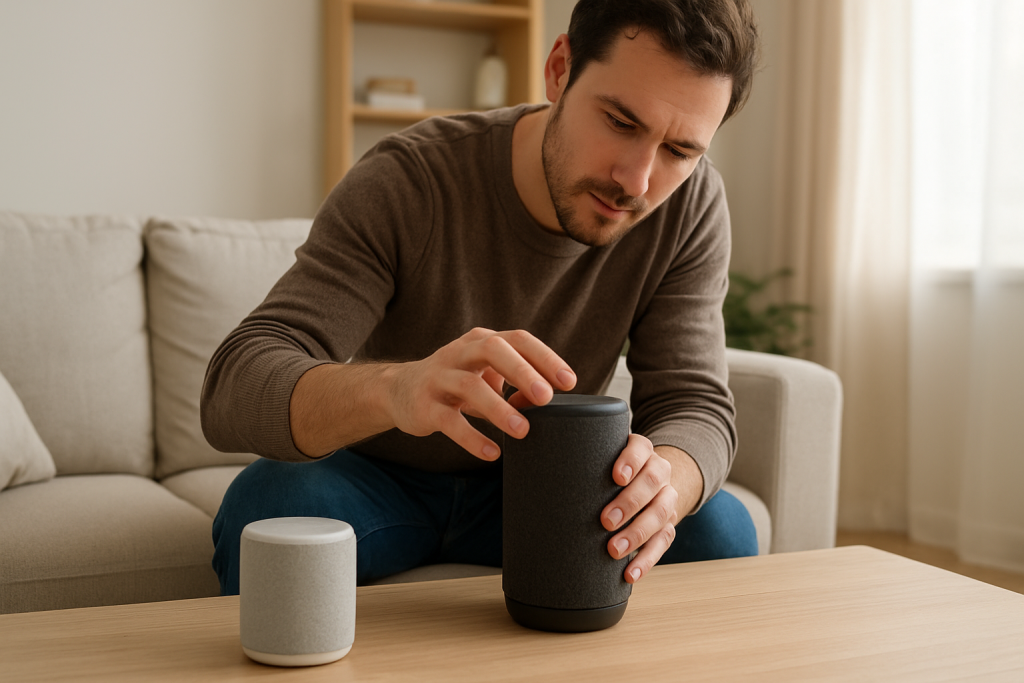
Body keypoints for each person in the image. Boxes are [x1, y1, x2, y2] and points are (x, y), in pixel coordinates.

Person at [202, 0, 762, 595]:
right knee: (267, 506)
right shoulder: (409, 180)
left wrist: (664, 481)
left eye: (680, 151)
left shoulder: (690, 206)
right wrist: (395, 389)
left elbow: (695, 400)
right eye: (621, 122)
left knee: (720, 531)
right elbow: (235, 382)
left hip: (549, 482)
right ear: (560, 70)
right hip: (378, 477)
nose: (638, 180)